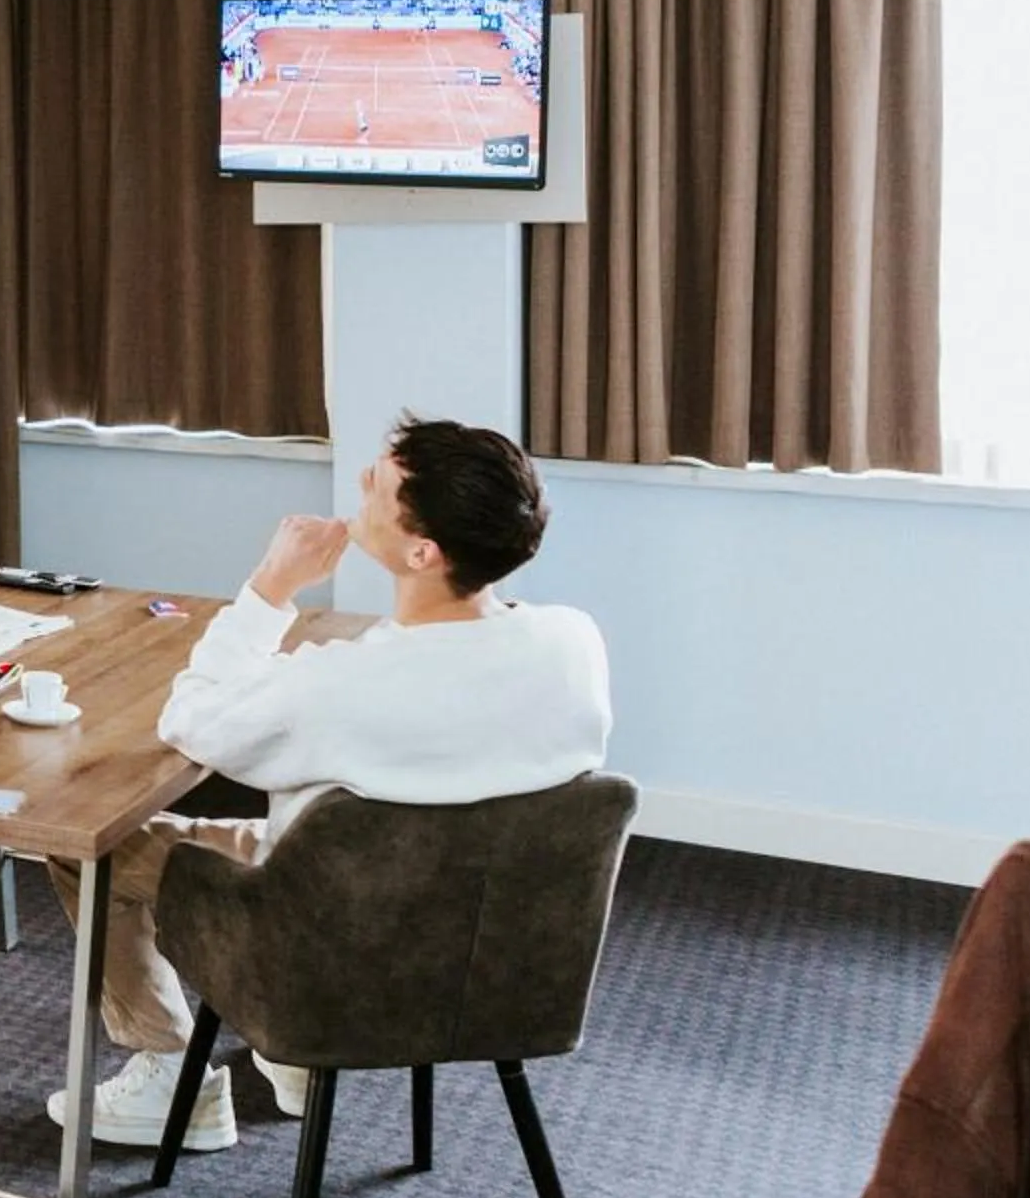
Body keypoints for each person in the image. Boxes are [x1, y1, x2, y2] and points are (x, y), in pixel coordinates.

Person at [44, 415, 613, 1151]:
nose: (365, 481)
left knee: (94, 850)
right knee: (351, 837)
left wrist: (270, 585)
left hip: (331, 952)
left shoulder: (342, 687)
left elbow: (190, 720)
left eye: (383, 480)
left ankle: (170, 1072)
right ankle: (296, 1067)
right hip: (493, 954)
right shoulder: (574, 642)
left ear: (422, 550)